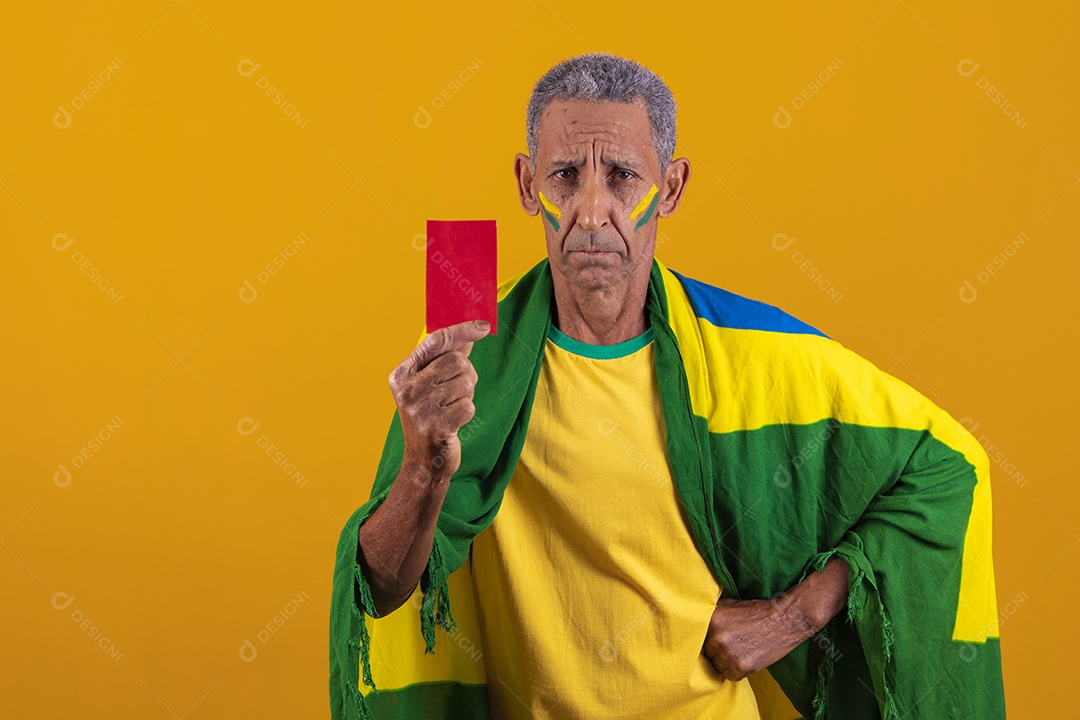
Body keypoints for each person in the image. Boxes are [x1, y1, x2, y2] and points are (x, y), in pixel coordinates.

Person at [329, 52, 1005, 720]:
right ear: (528, 184)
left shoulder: (748, 352)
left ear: (672, 188)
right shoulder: (472, 358)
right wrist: (424, 465)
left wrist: (794, 616)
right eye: (565, 175)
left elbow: (950, 465)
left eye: (622, 177)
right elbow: (381, 589)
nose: (591, 213)